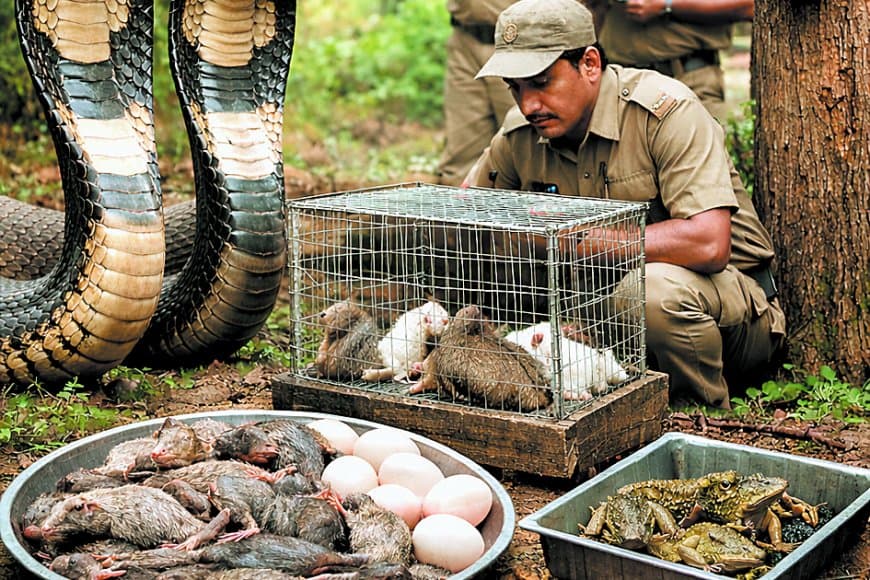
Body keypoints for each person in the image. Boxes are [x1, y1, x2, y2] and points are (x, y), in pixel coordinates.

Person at [467, 0, 784, 408]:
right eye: (516, 88)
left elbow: (708, 242)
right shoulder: (521, 134)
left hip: (729, 317)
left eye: (542, 82)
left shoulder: (665, 112)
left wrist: (572, 240)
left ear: (590, 64)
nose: (528, 105)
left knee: (647, 291)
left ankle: (695, 414)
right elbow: (468, 212)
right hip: (602, 325)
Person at [598, 0, 753, 121]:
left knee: (700, 156)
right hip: (620, 84)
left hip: (689, 80)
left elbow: (749, 6)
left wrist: (666, 4)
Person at [436, 0, 517, 186]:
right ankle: (457, 211)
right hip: (464, 37)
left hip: (520, 42)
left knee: (529, 143)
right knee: (461, 154)